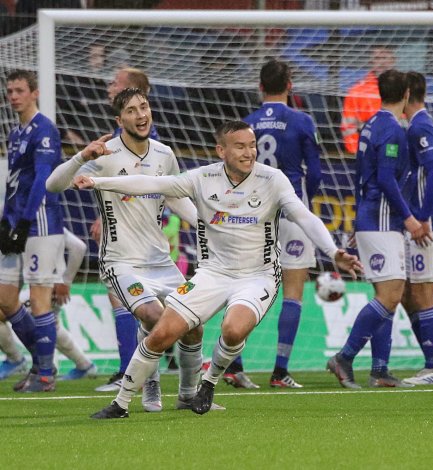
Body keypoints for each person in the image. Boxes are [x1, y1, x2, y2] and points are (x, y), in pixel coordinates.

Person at [77, 120, 363, 419]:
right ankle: (120, 404)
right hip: (212, 274)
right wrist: (98, 182)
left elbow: (304, 217)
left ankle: (209, 382)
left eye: (251, 145)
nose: (249, 152)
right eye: (240, 146)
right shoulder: (203, 178)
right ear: (221, 150)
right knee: (161, 333)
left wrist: (332, 251)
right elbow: (151, 183)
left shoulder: (272, 179)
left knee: (233, 328)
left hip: (258, 276)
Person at [46, 87, 218, 413]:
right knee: (154, 317)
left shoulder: (164, 154)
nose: (141, 115)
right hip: (120, 263)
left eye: (144, 107)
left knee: (193, 323)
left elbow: (173, 196)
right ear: (119, 119)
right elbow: (53, 185)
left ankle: (187, 395)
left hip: (161, 263)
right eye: (132, 111)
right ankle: (149, 382)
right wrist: (82, 156)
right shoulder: (104, 154)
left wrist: (204, 223)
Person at [327, 69, 428, 389]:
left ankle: (380, 370)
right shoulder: (392, 130)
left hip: (373, 220)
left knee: (387, 295)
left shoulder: (370, 124)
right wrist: (410, 218)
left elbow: (363, 177)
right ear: (407, 94)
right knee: (390, 294)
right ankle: (344, 356)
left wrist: (358, 219)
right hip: (383, 221)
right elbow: (385, 179)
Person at [243, 58, 322, 389]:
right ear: (290, 85)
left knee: (242, 289)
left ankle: (233, 366)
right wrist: (304, 203)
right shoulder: (302, 121)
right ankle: (279, 371)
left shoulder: (245, 124)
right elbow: (315, 173)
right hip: (291, 213)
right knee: (293, 292)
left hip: (253, 216)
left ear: (260, 86)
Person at [93, 67, 160, 393]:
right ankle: (133, 372)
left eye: (115, 82)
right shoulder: (121, 139)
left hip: (141, 242)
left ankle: (131, 371)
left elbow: (156, 190)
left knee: (148, 312)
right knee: (139, 308)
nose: (110, 86)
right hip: (128, 239)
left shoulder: (149, 143)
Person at [0, 69, 64, 392]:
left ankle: (44, 374)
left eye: (20, 90)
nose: (13, 96)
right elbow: (14, 182)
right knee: (6, 298)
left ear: (34, 93)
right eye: (10, 91)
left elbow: (42, 179)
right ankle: (41, 361)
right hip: (17, 222)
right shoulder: (15, 134)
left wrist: (24, 222)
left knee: (39, 298)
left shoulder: (45, 130)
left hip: (40, 223)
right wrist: (5, 220)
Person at [397, 72, 433, 386]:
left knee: (423, 291)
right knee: (409, 293)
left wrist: (423, 216)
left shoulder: (420, 126)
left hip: (431, 222)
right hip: (428, 219)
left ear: (406, 94)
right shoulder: (423, 124)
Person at [0, 228, 97, 381]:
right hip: (32, 283)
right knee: (52, 324)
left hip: (48, 283)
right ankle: (84, 366)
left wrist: (66, 281)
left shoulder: (41, 220)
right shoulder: (13, 219)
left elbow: (79, 246)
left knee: (8, 313)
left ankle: (16, 360)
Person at [340, 47, 396, 155]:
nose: (382, 62)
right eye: (377, 58)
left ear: (393, 60)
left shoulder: (404, 90)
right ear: (371, 62)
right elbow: (348, 128)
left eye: (385, 57)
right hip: (366, 156)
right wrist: (359, 153)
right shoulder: (356, 92)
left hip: (396, 154)